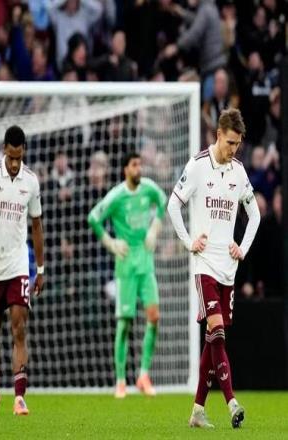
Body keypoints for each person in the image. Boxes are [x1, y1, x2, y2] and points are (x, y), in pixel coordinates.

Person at [167, 108, 260, 429]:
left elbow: (255, 215)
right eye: (230, 142)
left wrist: (242, 248)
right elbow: (173, 204)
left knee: (212, 339)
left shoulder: (239, 172)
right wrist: (188, 242)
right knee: (217, 332)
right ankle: (232, 403)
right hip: (204, 263)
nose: (234, 149)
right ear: (219, 134)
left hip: (228, 267)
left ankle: (197, 411)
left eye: (238, 144)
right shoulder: (197, 166)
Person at [88, 151, 167, 398]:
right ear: (125, 169)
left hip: (146, 262)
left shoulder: (149, 188)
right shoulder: (116, 196)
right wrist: (110, 243)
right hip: (125, 265)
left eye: (140, 164)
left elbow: (163, 200)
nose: (138, 168)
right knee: (124, 324)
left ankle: (143, 375)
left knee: (154, 317)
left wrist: (155, 228)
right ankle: (121, 381)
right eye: (134, 165)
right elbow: (93, 218)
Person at [0, 125, 44, 416]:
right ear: (4, 149)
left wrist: (40, 268)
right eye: (11, 157)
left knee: (19, 327)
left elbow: (37, 226)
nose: (15, 163)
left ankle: (19, 396)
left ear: (23, 151)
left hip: (18, 264)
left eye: (19, 158)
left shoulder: (31, 181)